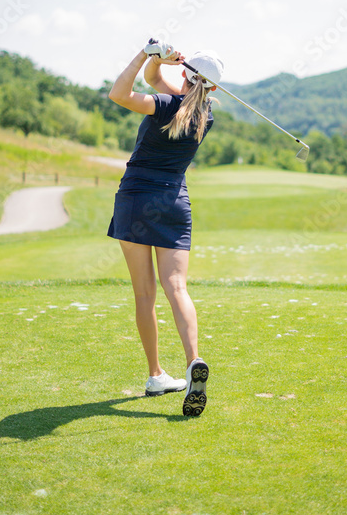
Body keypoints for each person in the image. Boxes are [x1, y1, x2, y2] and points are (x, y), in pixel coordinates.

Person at [106, 41, 221, 417]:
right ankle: (193, 362)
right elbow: (156, 79)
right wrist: (160, 62)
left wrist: (144, 53)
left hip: (137, 198)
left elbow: (118, 94)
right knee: (177, 287)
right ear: (214, 89)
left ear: (186, 74)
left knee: (145, 292)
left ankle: (156, 374)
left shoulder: (165, 106)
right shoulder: (204, 114)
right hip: (174, 203)